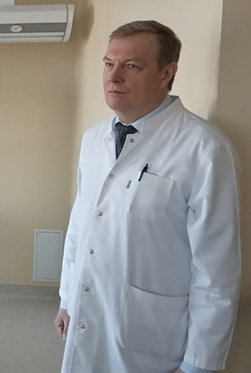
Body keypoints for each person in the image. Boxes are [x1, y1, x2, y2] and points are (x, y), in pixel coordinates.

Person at [54, 20, 241, 373]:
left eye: (131, 66)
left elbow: (216, 268)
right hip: (88, 312)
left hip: (153, 338)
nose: (113, 77)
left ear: (166, 74)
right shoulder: (94, 139)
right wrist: (68, 298)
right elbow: (80, 224)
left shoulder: (205, 149)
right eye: (108, 64)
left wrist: (199, 364)